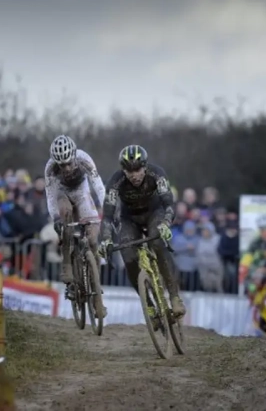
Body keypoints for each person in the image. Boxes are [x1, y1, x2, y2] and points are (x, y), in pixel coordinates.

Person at [99, 145, 186, 321]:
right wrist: (106, 239)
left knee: (157, 243)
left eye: (138, 169)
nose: (134, 175)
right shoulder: (115, 182)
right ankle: (148, 304)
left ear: (145, 167)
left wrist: (166, 224)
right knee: (128, 256)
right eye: (129, 171)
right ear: (123, 170)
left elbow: (169, 204)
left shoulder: (157, 174)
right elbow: (107, 216)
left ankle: (175, 296)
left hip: (155, 214)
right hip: (129, 219)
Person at [44, 135, 107, 316]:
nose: (67, 168)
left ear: (74, 157)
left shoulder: (84, 159)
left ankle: (97, 295)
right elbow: (50, 196)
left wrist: (107, 210)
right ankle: (67, 264)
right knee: (65, 218)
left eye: (69, 163)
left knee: (94, 240)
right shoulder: (50, 168)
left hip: (81, 192)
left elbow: (99, 186)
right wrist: (56, 218)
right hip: (62, 195)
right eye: (62, 165)